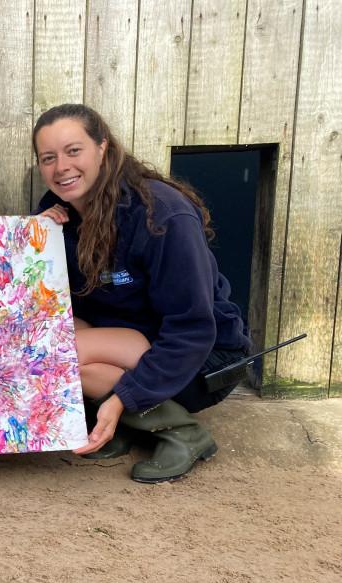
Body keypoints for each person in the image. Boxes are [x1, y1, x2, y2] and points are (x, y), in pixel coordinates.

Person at [33, 103, 251, 483]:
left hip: (202, 356)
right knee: (47, 338)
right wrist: (34, 242)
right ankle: (134, 427)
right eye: (48, 157)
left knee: (60, 353)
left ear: (102, 148)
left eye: (73, 151)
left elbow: (194, 328)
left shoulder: (161, 215)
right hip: (130, 335)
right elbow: (46, 304)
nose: (61, 167)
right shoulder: (57, 212)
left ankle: (183, 431)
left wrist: (122, 398)